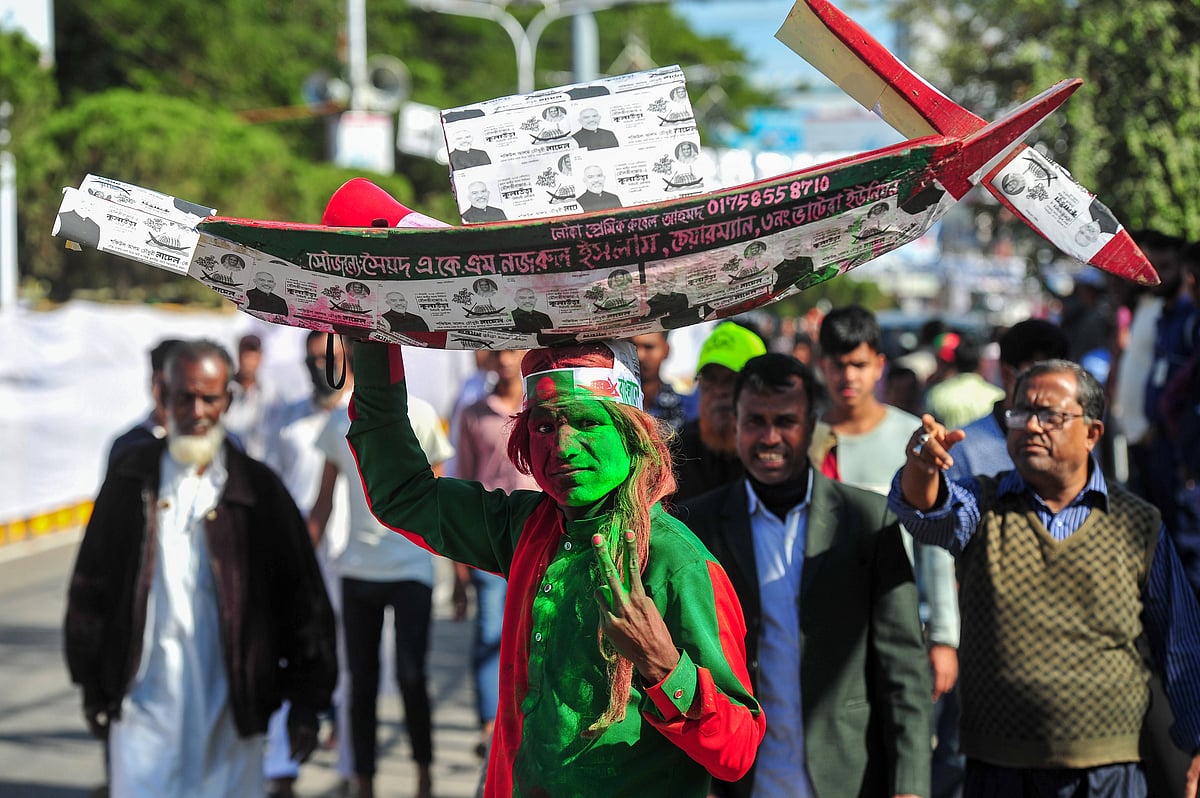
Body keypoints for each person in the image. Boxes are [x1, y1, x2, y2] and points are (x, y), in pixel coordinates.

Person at [345, 336, 766, 796]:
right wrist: (370, 346)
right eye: (544, 427)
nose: (563, 446)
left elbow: (737, 750)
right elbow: (405, 495)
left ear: (633, 435)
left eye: (587, 422)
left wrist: (664, 666)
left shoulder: (676, 563)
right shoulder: (531, 528)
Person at [890, 359, 1200, 797]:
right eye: (1022, 414)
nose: (1032, 426)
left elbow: (1181, 642)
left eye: (1050, 415)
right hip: (999, 770)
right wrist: (921, 468)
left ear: (1092, 432)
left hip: (1106, 771)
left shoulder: (1137, 522)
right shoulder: (985, 504)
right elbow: (927, 512)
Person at [64, 339, 337, 797]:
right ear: (163, 397)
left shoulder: (257, 489)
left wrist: (308, 703)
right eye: (184, 396)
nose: (196, 410)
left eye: (209, 397)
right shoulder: (131, 481)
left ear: (226, 400)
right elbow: (92, 584)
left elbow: (303, 597)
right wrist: (92, 684)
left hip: (231, 713)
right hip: (143, 710)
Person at [678, 353, 931, 798]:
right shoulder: (696, 527)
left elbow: (904, 665)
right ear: (735, 423)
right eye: (755, 420)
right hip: (740, 778)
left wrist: (909, 785)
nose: (769, 437)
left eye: (785, 421)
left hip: (848, 774)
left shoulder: (867, 520)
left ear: (811, 424)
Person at [807, 305, 959, 797]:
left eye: (859, 364)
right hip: (818, 632)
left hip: (899, 629)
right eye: (837, 364)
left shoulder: (910, 438)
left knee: (904, 754)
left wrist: (943, 637)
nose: (847, 376)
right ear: (820, 364)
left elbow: (934, 540)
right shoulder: (800, 438)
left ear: (878, 364)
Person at [308, 338, 454, 798]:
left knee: (412, 675)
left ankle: (424, 773)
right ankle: (365, 782)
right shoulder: (338, 419)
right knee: (362, 682)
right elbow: (324, 501)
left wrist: (461, 569)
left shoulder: (424, 414)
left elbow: (440, 496)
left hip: (412, 567)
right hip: (358, 570)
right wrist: (299, 564)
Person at [260, 331, 357, 797]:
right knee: (289, 650)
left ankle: (353, 762)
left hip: (355, 558)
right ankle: (282, 765)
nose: (319, 366)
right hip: (300, 556)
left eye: (327, 357)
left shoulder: (369, 415)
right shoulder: (285, 422)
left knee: (353, 659)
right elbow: (272, 491)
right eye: (311, 358)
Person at [450, 348, 536, 770]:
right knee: (489, 633)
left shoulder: (538, 408)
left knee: (534, 632)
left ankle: (527, 717)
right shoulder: (472, 413)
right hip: (488, 545)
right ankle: (489, 725)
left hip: (538, 540)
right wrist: (457, 567)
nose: (505, 360)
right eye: (499, 352)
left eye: (512, 351)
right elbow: (460, 483)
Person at [946, 319, 1070, 483]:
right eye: (1041, 375)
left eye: (1062, 376)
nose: (1054, 387)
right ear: (1008, 374)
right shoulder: (963, 450)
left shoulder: (1072, 439)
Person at [674, 321, 767, 500]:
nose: (719, 391)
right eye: (710, 379)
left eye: (731, 380)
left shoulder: (773, 451)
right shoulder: (679, 452)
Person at [105, 337, 184, 472]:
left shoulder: (216, 445)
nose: (170, 394)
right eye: (163, 384)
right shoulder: (128, 446)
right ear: (152, 383)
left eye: (178, 385)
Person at [924, 335, 1004, 430]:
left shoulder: (936, 394)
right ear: (980, 363)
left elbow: (928, 427)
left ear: (955, 363)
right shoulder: (997, 395)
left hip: (949, 444)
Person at [222, 333, 272, 459]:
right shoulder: (225, 390)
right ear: (238, 356)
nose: (248, 360)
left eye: (252, 355)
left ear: (260, 358)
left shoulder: (271, 394)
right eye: (245, 354)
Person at [632, 331, 686, 434]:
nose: (640, 355)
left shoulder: (685, 409)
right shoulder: (613, 403)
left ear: (666, 351)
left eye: (649, 347)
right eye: (633, 346)